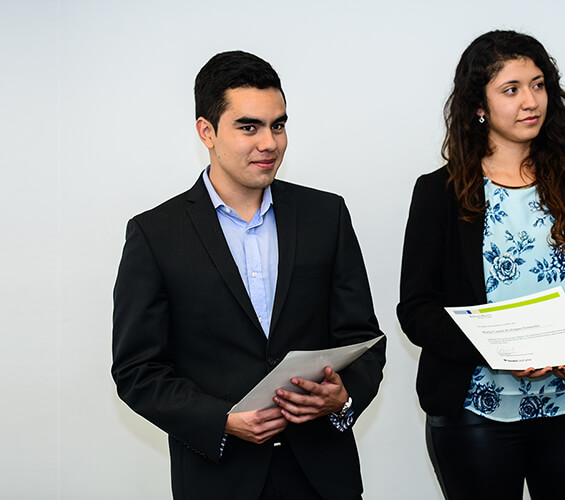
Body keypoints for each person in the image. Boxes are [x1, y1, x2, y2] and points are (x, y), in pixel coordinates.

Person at [112, 50, 386, 500]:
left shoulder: (326, 214)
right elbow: (137, 370)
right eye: (248, 126)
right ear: (207, 132)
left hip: (322, 475)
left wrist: (343, 399)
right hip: (218, 478)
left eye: (278, 125)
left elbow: (362, 338)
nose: (270, 142)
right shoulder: (155, 233)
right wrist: (220, 421)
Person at [397, 30, 565, 499]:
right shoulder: (438, 193)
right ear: (478, 105)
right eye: (512, 89)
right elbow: (417, 310)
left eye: (539, 85)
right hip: (474, 414)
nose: (531, 101)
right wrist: (499, 352)